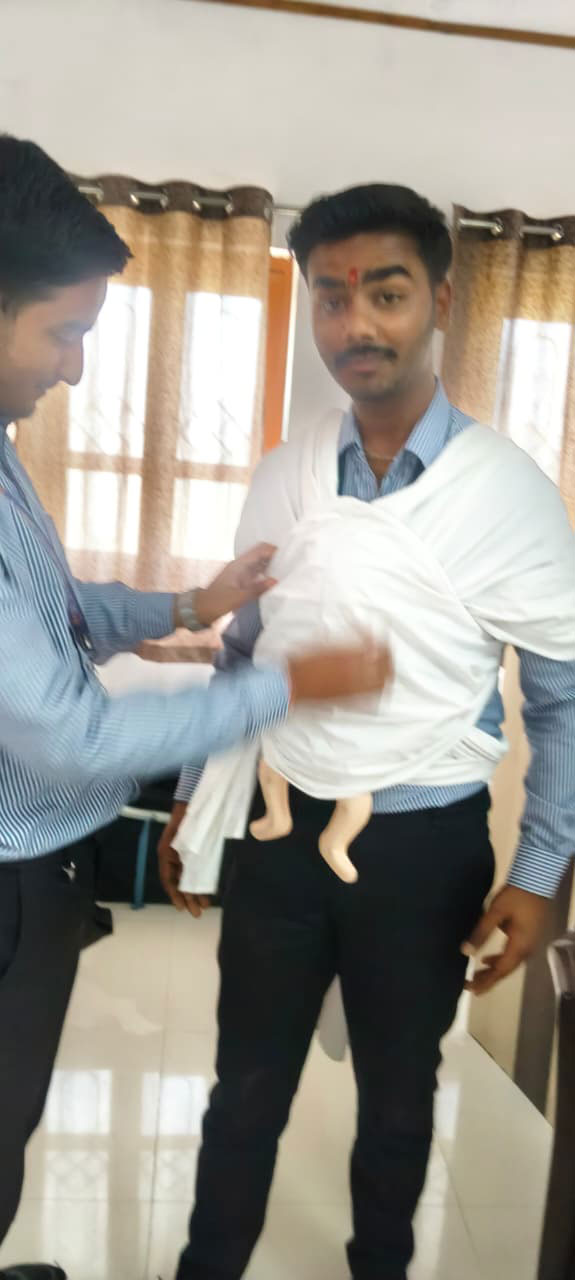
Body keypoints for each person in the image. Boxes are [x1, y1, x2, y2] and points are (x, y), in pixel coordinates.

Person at [161, 184, 575, 1280]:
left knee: (398, 1099)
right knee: (243, 1085)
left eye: (385, 293)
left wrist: (539, 872)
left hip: (424, 847)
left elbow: (561, 694)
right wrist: (197, 798)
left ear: (439, 298)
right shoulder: (287, 474)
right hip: (280, 825)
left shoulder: (507, 495)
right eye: (331, 297)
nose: (356, 324)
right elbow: (246, 650)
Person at [0, 139, 392, 1280]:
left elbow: (49, 604)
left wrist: (184, 604)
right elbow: (73, 735)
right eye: (62, 333)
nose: (75, 369)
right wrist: (288, 685)